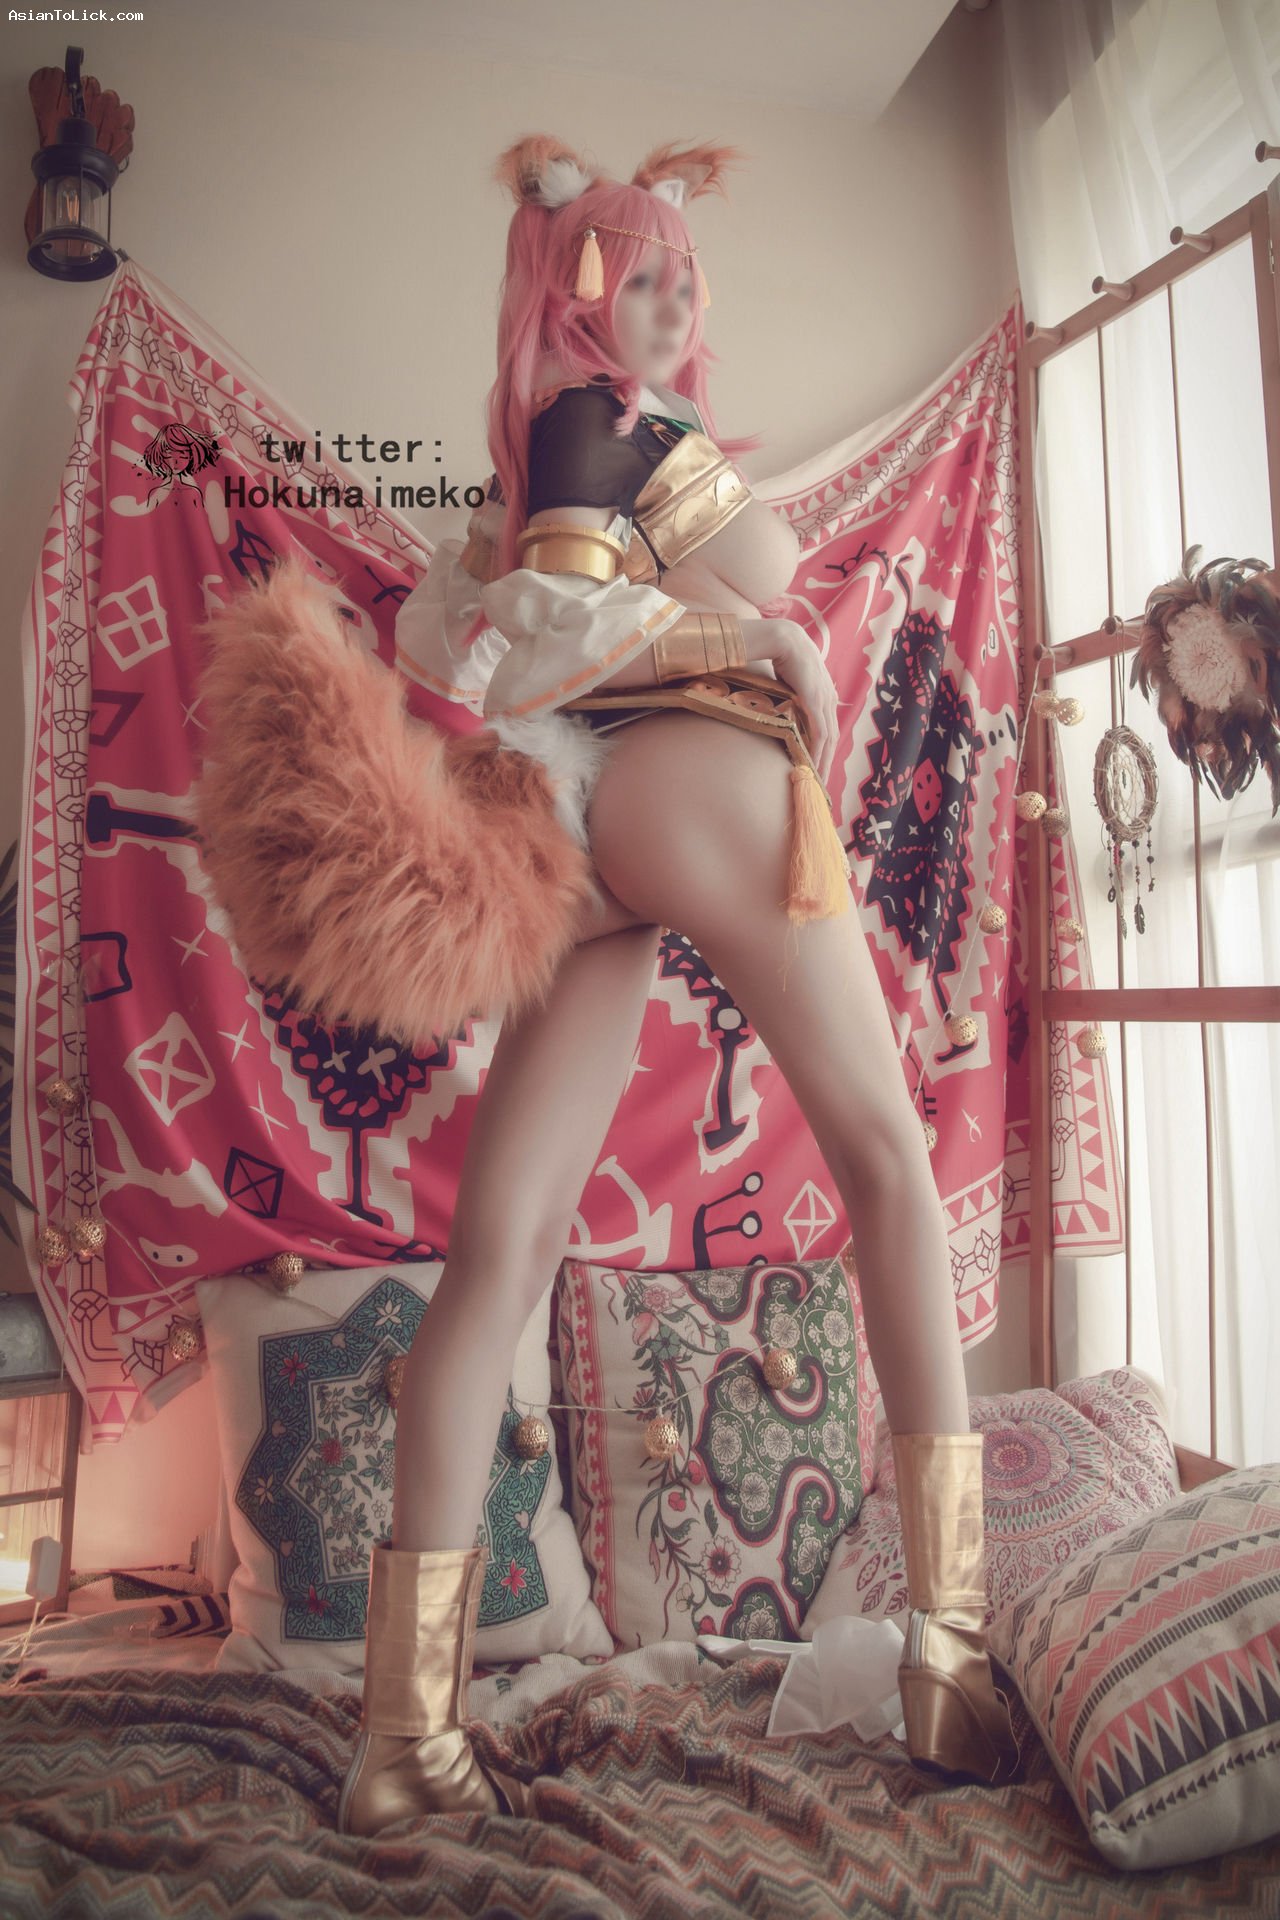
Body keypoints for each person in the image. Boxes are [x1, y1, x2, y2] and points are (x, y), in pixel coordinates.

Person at [335, 136, 1020, 1837]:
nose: (668, 302)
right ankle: (950, 1660)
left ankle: (402, 1739)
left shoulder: (557, 446)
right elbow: (584, 624)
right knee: (889, 1168)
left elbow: (528, 629)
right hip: (692, 772)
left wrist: (728, 618)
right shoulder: (611, 426)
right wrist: (761, 644)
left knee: (499, 1256)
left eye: (679, 279)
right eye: (634, 277)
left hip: (587, 827)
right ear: (573, 300)